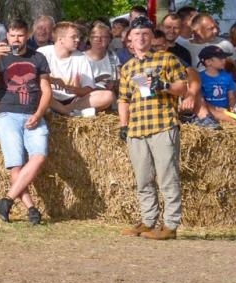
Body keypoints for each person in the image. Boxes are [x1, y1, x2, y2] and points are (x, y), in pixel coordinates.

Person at [118, 19, 190, 239]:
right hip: (137, 128)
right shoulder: (128, 67)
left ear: (151, 37)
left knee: (167, 177)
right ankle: (148, 221)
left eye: (145, 34)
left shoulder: (167, 59)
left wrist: (165, 86)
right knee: (143, 179)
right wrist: (123, 125)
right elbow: (123, 99)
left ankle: (170, 225)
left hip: (162, 124)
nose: (141, 38)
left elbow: (183, 88)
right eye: (137, 34)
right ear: (130, 39)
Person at [0, 20, 51, 226]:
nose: (16, 39)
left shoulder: (38, 58)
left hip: (33, 113)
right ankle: (31, 208)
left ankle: (6, 200)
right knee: (16, 165)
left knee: (39, 157)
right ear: (7, 36)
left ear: (27, 35)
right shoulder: (1, 59)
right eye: (12, 35)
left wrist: (39, 114)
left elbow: (46, 90)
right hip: (8, 114)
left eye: (20, 35)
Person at [40, 21, 112, 116]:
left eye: (78, 37)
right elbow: (33, 80)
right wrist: (53, 80)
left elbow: (89, 89)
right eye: (73, 37)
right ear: (61, 39)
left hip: (73, 101)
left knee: (108, 96)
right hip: (49, 97)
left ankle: (63, 111)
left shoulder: (81, 57)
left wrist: (73, 89)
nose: (78, 40)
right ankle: (68, 112)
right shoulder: (43, 53)